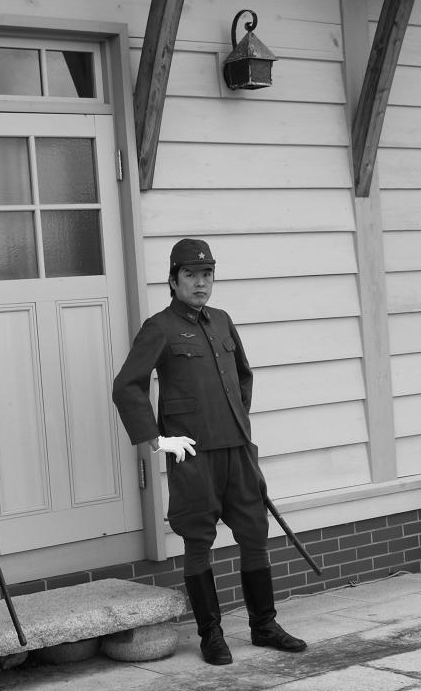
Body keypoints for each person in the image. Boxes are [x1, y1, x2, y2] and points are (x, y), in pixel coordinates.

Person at [112, 238, 306, 665]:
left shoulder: (221, 321)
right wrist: (155, 439)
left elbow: (242, 377)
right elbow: (127, 385)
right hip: (194, 455)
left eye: (207, 274)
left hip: (237, 451)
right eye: (190, 275)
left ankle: (264, 626)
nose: (200, 283)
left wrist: (235, 422)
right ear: (173, 280)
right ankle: (211, 635)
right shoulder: (159, 327)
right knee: (198, 543)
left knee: (254, 535)